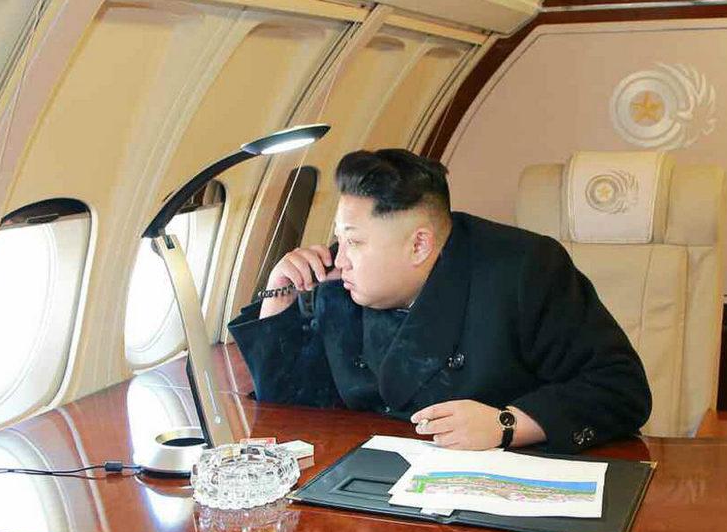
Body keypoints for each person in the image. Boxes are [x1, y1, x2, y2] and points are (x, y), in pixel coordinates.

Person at [228, 149, 651, 453]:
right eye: (340, 238)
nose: (340, 258)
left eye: (355, 242)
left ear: (419, 245)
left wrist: (507, 424)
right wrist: (279, 292)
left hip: (499, 479)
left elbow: (620, 389)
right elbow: (290, 410)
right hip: (375, 475)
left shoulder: (524, 270)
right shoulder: (339, 281)